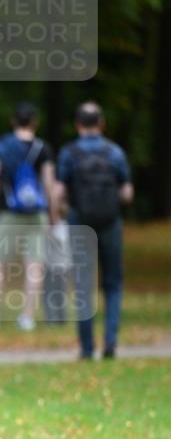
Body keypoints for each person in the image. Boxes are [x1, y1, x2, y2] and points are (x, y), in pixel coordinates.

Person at [55, 101, 134, 360]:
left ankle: (86, 348)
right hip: (110, 223)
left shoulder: (69, 153)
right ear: (101, 123)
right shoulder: (114, 152)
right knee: (113, 284)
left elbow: (58, 192)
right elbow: (126, 193)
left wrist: (60, 214)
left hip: (80, 221)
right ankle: (110, 342)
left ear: (78, 124)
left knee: (82, 285)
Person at [0, 102, 56, 332]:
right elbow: (49, 185)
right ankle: (27, 317)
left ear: (13, 121)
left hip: (9, 213)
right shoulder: (43, 148)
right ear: (34, 122)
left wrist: (4, 192)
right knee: (34, 265)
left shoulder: (2, 146)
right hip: (36, 214)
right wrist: (53, 217)